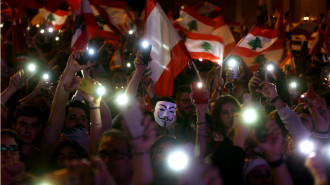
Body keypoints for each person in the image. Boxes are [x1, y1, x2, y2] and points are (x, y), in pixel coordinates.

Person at [11, 104, 43, 174]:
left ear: (39, 129)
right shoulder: (6, 154)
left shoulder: (43, 156)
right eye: (23, 125)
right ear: (14, 126)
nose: (28, 130)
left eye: (33, 126)